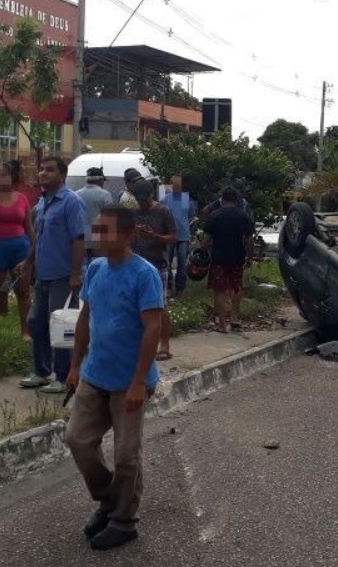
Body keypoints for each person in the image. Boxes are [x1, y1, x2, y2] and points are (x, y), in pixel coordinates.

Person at [65, 204, 164, 551]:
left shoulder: (144, 274)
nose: (97, 236)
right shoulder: (95, 269)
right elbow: (84, 318)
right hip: (95, 374)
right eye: (96, 229)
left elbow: (153, 329)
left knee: (126, 456)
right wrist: (75, 366)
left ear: (127, 234)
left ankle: (124, 521)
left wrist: (139, 382)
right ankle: (109, 499)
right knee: (77, 440)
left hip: (130, 382)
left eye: (104, 230)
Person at [15, 157, 87, 393]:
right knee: (36, 322)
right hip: (44, 275)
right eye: (42, 169)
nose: (43, 173)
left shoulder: (71, 202)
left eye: (49, 170)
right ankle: (42, 371)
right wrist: (27, 262)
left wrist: (76, 274)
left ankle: (65, 376)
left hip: (64, 276)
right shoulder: (43, 203)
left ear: (62, 175)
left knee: (62, 326)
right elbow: (40, 239)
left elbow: (79, 239)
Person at [131, 178, 177, 361]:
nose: (141, 202)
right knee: (136, 306)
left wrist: (154, 236)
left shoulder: (163, 211)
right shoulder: (134, 212)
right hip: (136, 264)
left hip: (157, 264)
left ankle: (164, 344)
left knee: (160, 306)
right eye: (138, 199)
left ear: (151, 194)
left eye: (144, 199)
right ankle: (140, 342)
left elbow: (173, 236)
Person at [202, 186, 254, 333]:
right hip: (237, 257)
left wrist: (202, 253)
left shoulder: (215, 215)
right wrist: (250, 256)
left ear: (222, 199)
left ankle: (222, 324)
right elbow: (249, 240)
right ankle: (235, 318)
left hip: (218, 257)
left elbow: (206, 239)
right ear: (236, 199)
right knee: (237, 286)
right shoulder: (243, 216)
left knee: (219, 289)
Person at [0, 162, 34, 340]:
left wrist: (35, 249)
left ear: (11, 176)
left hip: (20, 248)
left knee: (23, 291)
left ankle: (25, 331)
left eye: (4, 174)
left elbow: (29, 227)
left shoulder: (22, 198)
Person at [161, 175, 195, 297]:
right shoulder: (164, 199)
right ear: (170, 185)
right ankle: (169, 286)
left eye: (178, 185)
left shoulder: (187, 199)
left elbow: (191, 215)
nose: (176, 187)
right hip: (169, 234)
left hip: (183, 236)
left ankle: (180, 288)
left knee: (182, 262)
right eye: (174, 185)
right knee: (167, 262)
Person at [75, 167, 114, 264]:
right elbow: (109, 220)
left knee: (83, 269)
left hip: (80, 239)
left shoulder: (76, 195)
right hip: (99, 242)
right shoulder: (105, 195)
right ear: (100, 180)